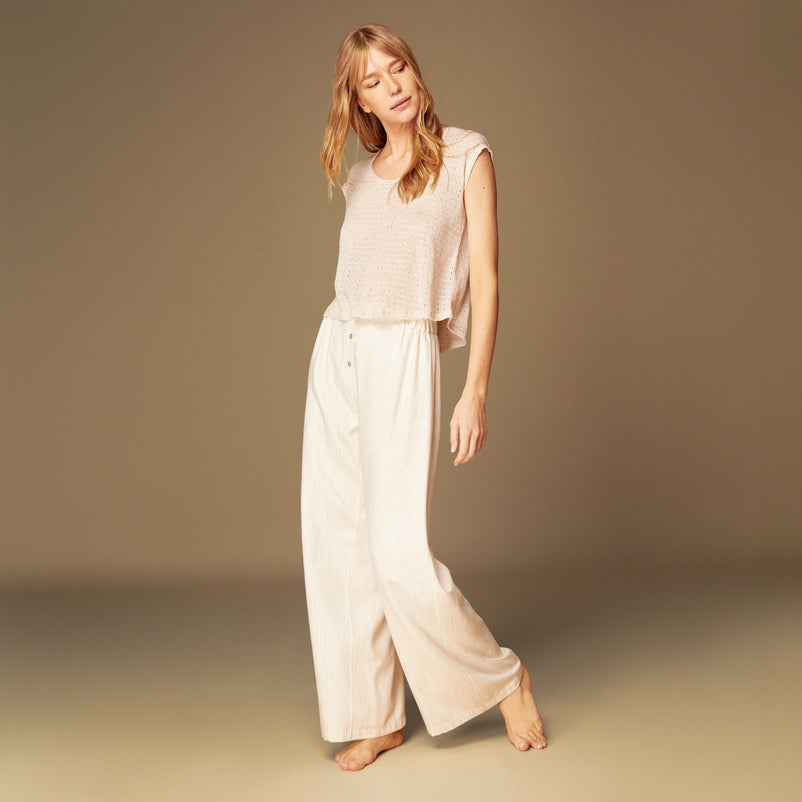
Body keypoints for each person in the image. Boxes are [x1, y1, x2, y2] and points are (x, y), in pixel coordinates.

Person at [300, 23, 547, 771]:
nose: (392, 86)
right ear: (360, 102)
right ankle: (373, 717)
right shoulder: (360, 178)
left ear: (414, 70)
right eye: (372, 82)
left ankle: (501, 678)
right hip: (337, 348)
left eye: (397, 68)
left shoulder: (468, 155)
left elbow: (489, 280)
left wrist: (476, 391)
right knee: (338, 545)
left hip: (402, 351)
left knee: (398, 549)